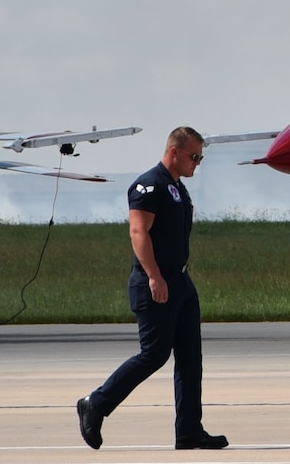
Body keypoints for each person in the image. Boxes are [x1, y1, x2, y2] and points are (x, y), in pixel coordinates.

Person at [77, 128, 227, 452]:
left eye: (201, 157)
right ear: (175, 152)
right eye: (194, 156)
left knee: (190, 358)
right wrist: (154, 276)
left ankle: (189, 430)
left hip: (181, 282)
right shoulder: (150, 184)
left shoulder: (177, 189)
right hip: (155, 281)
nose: (198, 163)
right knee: (154, 354)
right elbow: (138, 231)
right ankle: (95, 404)